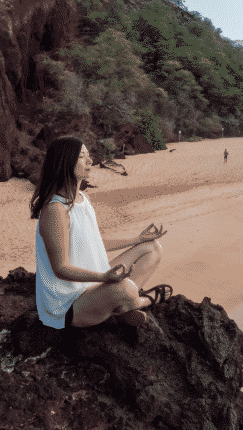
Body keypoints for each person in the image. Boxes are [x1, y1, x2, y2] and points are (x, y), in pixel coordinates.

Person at [30, 136, 171, 329]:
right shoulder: (56, 210)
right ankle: (141, 301)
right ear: (65, 162)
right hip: (68, 305)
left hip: (92, 285)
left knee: (152, 248)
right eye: (81, 156)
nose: (89, 161)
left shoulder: (82, 199)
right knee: (127, 288)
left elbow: (94, 242)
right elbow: (60, 268)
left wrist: (137, 239)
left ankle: (120, 306)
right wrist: (103, 278)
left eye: (88, 155)